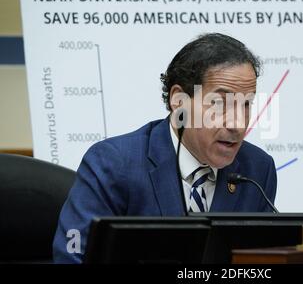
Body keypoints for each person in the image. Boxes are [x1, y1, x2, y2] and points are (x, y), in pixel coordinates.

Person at [52, 33, 278, 263]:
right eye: (220, 103)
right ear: (178, 101)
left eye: (246, 104)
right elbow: (72, 257)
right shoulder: (114, 163)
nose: (237, 124)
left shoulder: (257, 169)